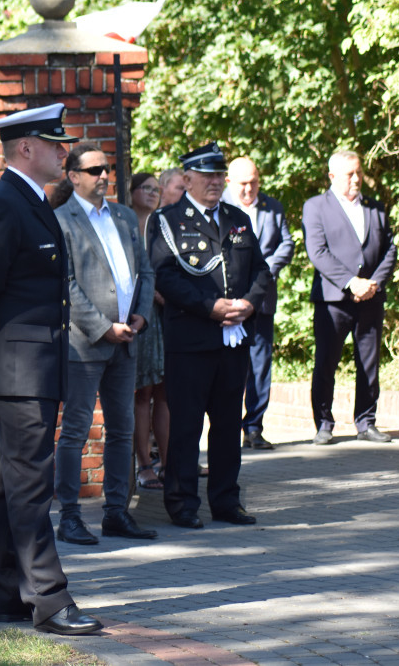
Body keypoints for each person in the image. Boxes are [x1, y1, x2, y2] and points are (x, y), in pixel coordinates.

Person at [0, 103, 102, 635]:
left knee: (10, 484)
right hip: (19, 365)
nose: (65, 152)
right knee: (30, 486)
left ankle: (12, 593)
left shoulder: (31, 201)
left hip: (33, 364)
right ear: (25, 149)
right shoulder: (4, 204)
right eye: (55, 144)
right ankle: (51, 599)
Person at [148, 142, 272, 529]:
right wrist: (211, 307)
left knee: (226, 425)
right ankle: (182, 503)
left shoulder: (237, 218)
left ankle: (225, 500)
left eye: (219, 175)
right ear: (187, 179)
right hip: (191, 340)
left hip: (232, 340)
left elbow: (260, 271)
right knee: (186, 426)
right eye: (207, 176)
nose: (215, 182)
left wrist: (248, 304)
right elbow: (165, 276)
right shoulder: (166, 220)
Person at [52, 144, 157, 545]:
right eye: (93, 169)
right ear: (73, 176)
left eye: (106, 168)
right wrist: (102, 327)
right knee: (76, 430)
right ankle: (70, 517)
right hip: (84, 343)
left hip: (127, 339)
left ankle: (117, 512)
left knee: (123, 429)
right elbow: (67, 285)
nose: (103, 175)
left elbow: (144, 271)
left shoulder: (125, 216)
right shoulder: (61, 221)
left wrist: (140, 316)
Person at [302, 151, 397, 445]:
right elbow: (317, 252)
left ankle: (366, 422)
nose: (356, 179)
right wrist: (350, 282)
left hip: (370, 297)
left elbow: (390, 250)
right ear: (332, 177)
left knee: (369, 362)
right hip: (333, 300)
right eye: (349, 174)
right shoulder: (316, 206)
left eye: (358, 172)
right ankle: (324, 423)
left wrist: (373, 284)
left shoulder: (375, 207)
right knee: (326, 362)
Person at [222, 157, 294, 450]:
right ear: (229, 182)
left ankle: (254, 427)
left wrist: (264, 271)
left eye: (254, 182)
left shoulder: (272, 207)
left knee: (261, 365)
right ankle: (226, 427)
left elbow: (286, 244)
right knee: (228, 368)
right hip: (227, 302)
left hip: (261, 300)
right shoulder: (219, 208)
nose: (249, 189)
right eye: (243, 183)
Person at [132, 172, 169, 491]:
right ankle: (144, 465)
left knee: (165, 391)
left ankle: (169, 462)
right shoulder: (126, 225)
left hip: (167, 314)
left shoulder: (164, 224)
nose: (152, 193)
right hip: (140, 315)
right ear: (131, 192)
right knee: (141, 391)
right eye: (145, 188)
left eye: (156, 189)